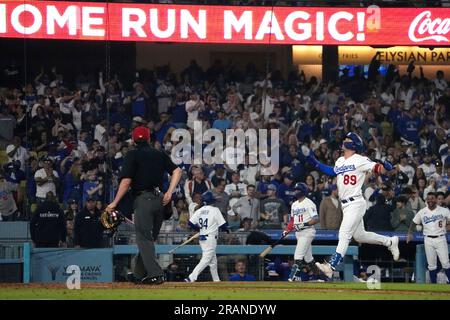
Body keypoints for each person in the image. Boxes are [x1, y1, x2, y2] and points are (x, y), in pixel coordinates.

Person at [307, 132, 400, 279]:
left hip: (356, 202)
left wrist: (386, 168)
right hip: (346, 205)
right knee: (360, 236)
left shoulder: (360, 159)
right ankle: (389, 241)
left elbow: (379, 169)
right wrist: (316, 163)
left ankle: (330, 266)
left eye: (348, 139)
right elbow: (332, 171)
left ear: (353, 144)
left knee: (344, 233)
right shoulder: (339, 161)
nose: (344, 140)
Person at [106, 126, 182, 285]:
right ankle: (139, 274)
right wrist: (169, 193)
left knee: (143, 239)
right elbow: (177, 171)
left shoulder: (132, 154)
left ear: (134, 140)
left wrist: (114, 202)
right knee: (149, 239)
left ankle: (156, 273)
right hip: (160, 200)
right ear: (148, 139)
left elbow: (126, 181)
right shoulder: (159, 153)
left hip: (143, 200)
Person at [184, 191, 230, 282]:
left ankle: (216, 280)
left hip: (203, 238)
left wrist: (199, 229)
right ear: (211, 201)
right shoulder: (215, 210)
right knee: (206, 259)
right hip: (210, 239)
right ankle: (191, 277)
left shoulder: (199, 210)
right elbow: (223, 226)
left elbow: (190, 223)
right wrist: (227, 230)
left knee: (213, 262)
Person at [407, 192, 450, 284]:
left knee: (445, 263)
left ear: (435, 199)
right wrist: (410, 233)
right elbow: (413, 222)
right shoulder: (422, 211)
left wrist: (447, 226)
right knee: (431, 265)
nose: (430, 200)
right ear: (426, 200)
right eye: (428, 198)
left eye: (432, 198)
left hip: (441, 238)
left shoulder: (444, 210)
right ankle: (433, 286)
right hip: (428, 239)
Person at [281, 183, 319, 282]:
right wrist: (286, 231)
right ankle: (319, 276)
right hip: (299, 233)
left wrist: (303, 224)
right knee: (308, 258)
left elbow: (315, 219)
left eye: (298, 190)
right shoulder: (294, 204)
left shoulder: (309, 203)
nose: (296, 192)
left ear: (303, 191)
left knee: (298, 256)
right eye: (295, 190)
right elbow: (292, 221)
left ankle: (293, 277)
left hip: (307, 232)